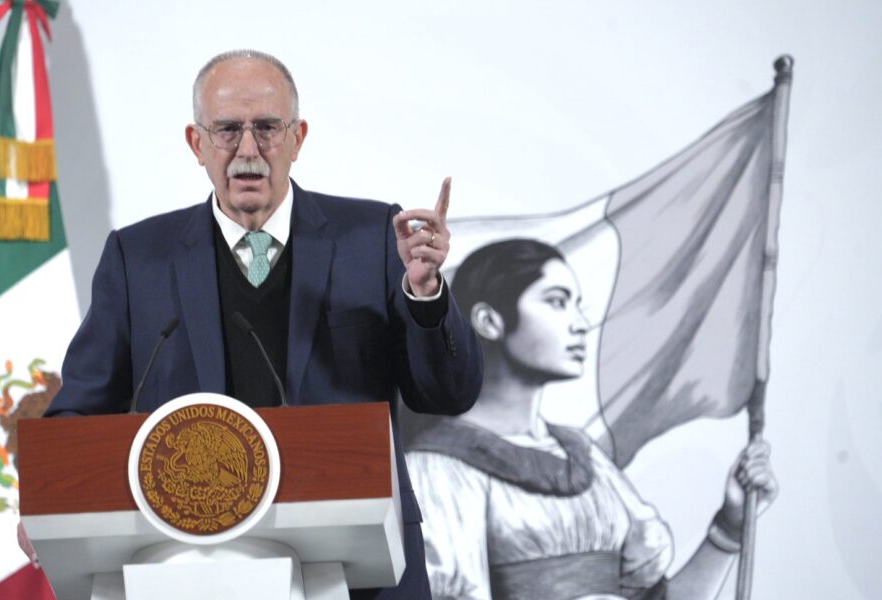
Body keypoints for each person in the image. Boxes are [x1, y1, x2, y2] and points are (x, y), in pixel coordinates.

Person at [42, 49, 483, 598]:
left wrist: (425, 295)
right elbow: (80, 409)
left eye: (267, 128)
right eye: (227, 130)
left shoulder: (372, 237)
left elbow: (449, 393)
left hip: (360, 569)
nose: (247, 150)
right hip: (191, 570)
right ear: (196, 143)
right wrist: (49, 496)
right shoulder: (140, 258)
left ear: (298, 138)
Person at [406, 239, 778, 600]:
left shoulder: (584, 457)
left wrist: (730, 527)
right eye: (557, 302)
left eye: (577, 306)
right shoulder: (438, 469)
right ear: (489, 321)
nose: (581, 324)